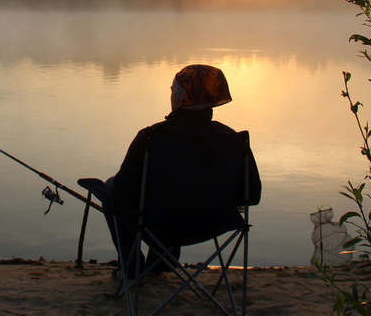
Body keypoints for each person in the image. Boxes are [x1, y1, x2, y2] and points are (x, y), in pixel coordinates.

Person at [81, 64, 253, 278]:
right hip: (215, 223)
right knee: (171, 199)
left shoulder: (151, 138)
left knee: (114, 193)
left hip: (162, 223)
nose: (171, 94)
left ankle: (132, 266)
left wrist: (107, 191)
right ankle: (160, 263)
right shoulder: (234, 140)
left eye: (174, 90)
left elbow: (124, 192)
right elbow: (252, 195)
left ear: (183, 97)